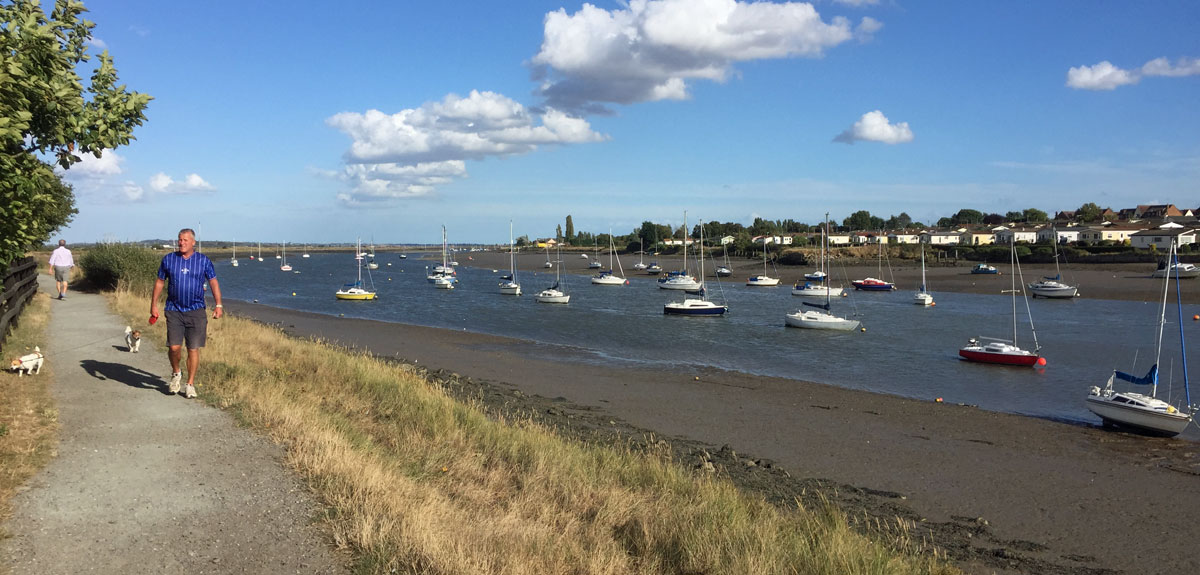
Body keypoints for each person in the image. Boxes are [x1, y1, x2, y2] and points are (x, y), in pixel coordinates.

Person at [150, 229, 223, 399]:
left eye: (185, 240)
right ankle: (176, 373)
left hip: (196, 311)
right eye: (179, 240)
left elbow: (213, 282)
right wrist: (153, 305)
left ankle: (190, 384)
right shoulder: (169, 259)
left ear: (193, 243)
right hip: (174, 309)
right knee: (174, 347)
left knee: (193, 349)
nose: (181, 243)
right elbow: (160, 282)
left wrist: (218, 304)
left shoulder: (203, 261)